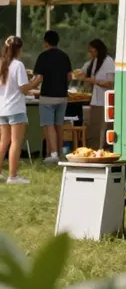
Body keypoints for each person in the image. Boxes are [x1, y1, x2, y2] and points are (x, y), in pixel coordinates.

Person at [0, 36, 38, 184]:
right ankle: (13, 176)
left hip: (2, 108)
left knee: (3, 142)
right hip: (15, 108)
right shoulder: (18, 65)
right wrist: (36, 81)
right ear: (20, 49)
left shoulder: (2, 63)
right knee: (16, 142)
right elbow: (23, 88)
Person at [31, 30, 72, 164]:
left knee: (49, 125)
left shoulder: (43, 56)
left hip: (47, 96)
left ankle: (53, 154)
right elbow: (70, 77)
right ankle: (60, 153)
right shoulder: (65, 56)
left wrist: (28, 87)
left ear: (46, 42)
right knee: (59, 125)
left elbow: (38, 77)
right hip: (62, 96)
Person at [76, 39, 115, 150]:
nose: (90, 53)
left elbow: (110, 83)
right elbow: (84, 71)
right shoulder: (94, 62)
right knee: (94, 126)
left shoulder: (108, 61)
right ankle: (94, 147)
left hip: (104, 100)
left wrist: (94, 81)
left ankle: (103, 148)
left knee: (103, 126)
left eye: (92, 50)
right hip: (95, 100)